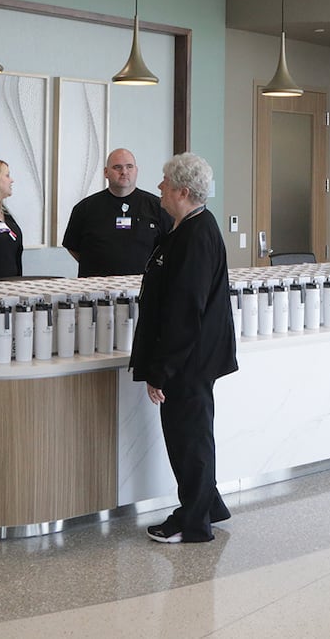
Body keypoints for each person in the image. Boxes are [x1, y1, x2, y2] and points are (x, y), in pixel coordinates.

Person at [129, 152, 238, 544]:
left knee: (187, 440)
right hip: (193, 358)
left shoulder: (196, 234)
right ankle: (209, 505)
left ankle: (193, 522)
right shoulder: (188, 227)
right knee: (193, 435)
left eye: (164, 181)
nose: (158, 187)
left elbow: (183, 311)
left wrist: (163, 371)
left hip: (189, 361)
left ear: (182, 190)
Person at [62, 148, 172, 278]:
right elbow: (72, 247)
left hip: (143, 288)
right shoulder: (85, 208)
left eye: (129, 167)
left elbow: (169, 248)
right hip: (94, 289)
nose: (124, 172)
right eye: (117, 167)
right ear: (106, 172)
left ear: (136, 171)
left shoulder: (158, 207)